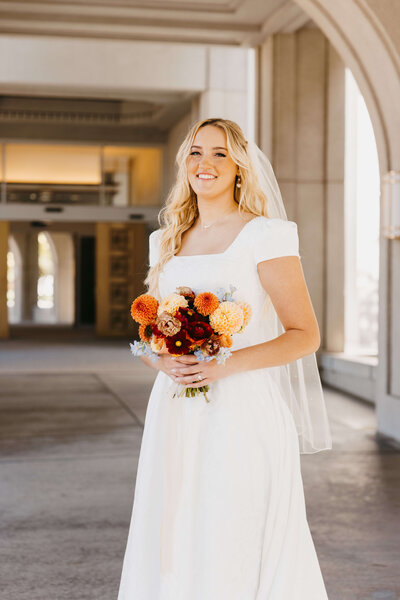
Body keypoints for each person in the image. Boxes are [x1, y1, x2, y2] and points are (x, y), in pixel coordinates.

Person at [117, 117, 332, 599]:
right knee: (172, 530)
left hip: (241, 410)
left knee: (231, 527)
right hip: (174, 409)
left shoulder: (267, 235)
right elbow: (154, 334)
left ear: (239, 165)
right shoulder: (166, 239)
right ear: (184, 164)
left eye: (219, 153)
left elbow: (305, 336)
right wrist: (162, 361)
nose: (205, 163)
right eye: (195, 152)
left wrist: (223, 365)